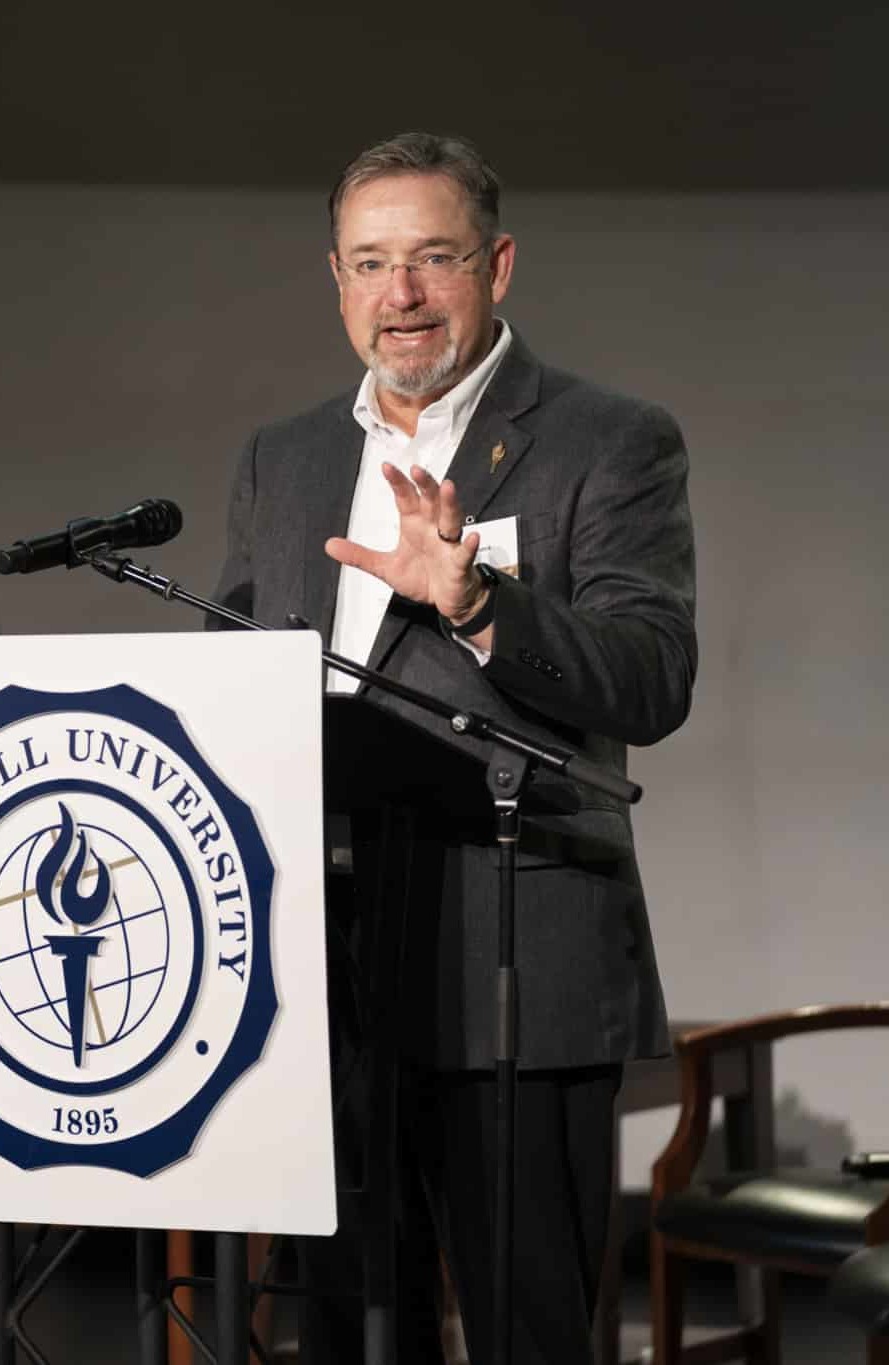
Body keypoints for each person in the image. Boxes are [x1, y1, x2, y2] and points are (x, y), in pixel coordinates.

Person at [213, 132, 697, 1364]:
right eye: (372, 263)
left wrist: (483, 606)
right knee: (334, 1337)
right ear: (335, 278)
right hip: (311, 988)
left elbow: (652, 676)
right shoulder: (287, 457)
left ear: (499, 266)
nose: (402, 295)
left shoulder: (609, 439)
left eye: (434, 258)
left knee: (529, 1335)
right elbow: (238, 681)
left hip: (516, 970)